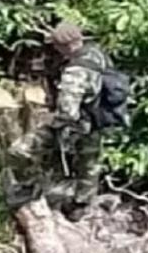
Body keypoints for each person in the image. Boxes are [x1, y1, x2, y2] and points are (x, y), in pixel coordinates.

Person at [45, 21, 110, 207]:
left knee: (68, 161)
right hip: (100, 116)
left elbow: (68, 112)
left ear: (64, 45)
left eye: (56, 45)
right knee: (91, 165)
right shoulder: (96, 54)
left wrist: (51, 123)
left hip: (83, 124)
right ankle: (85, 201)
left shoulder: (75, 71)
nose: (55, 49)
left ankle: (72, 204)